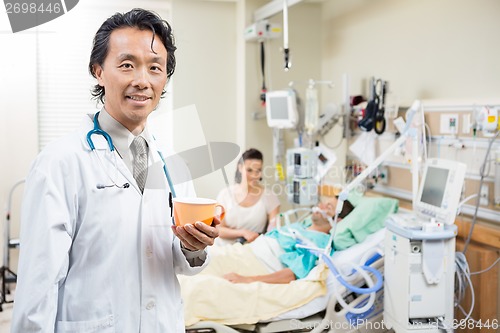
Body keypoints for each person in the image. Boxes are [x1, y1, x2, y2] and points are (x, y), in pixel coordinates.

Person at [11, 9, 219, 332]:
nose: (142, 80)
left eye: (155, 68)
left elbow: (178, 261)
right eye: (127, 65)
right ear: (98, 71)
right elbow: (36, 292)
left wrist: (193, 247)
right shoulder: (60, 163)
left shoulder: (172, 163)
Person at [222, 194, 354, 284]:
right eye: (324, 203)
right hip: (242, 253)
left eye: (328, 207)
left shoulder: (319, 243)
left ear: (338, 220)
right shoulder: (301, 226)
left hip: (256, 266)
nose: (321, 206)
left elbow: (293, 274)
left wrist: (247, 280)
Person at [216, 148, 280, 245]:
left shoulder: (269, 196)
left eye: (258, 170)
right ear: (240, 167)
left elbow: (273, 229)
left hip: (252, 249)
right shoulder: (225, 194)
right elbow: (218, 230)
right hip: (223, 249)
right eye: (249, 170)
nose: (254, 175)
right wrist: (243, 232)